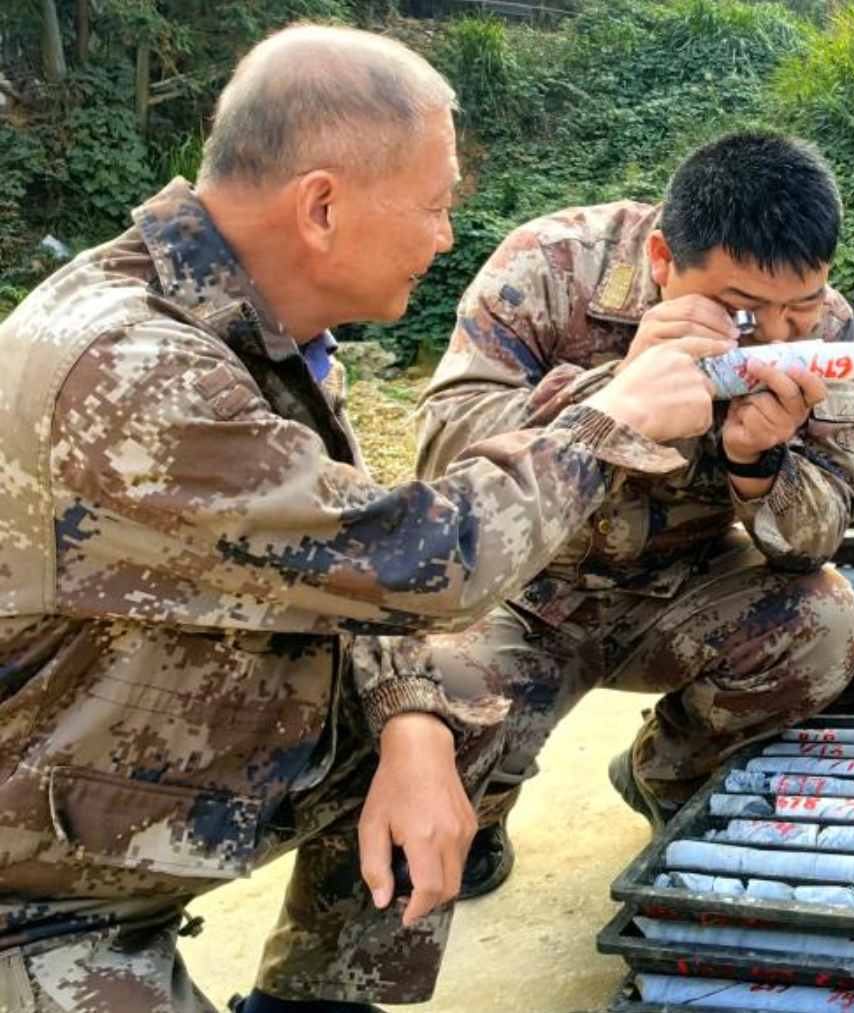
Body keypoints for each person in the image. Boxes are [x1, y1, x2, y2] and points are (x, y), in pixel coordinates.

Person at [0, 25, 724, 1012]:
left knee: (455, 693)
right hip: (37, 886)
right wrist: (611, 421)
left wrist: (412, 719)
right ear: (322, 206)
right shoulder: (133, 370)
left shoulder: (248, 328)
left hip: (116, 793)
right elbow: (421, 559)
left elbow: (338, 566)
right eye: (434, 205)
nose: (445, 237)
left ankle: (318, 997)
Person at [413, 132, 854, 896]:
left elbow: (818, 536)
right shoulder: (549, 265)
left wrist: (759, 466)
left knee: (824, 623)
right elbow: (442, 463)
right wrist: (615, 393)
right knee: (422, 702)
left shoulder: (824, 326)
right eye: (742, 311)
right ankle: (480, 808)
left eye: (800, 307)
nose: (776, 336)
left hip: (682, 586)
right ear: (662, 259)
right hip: (526, 589)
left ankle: (667, 773)